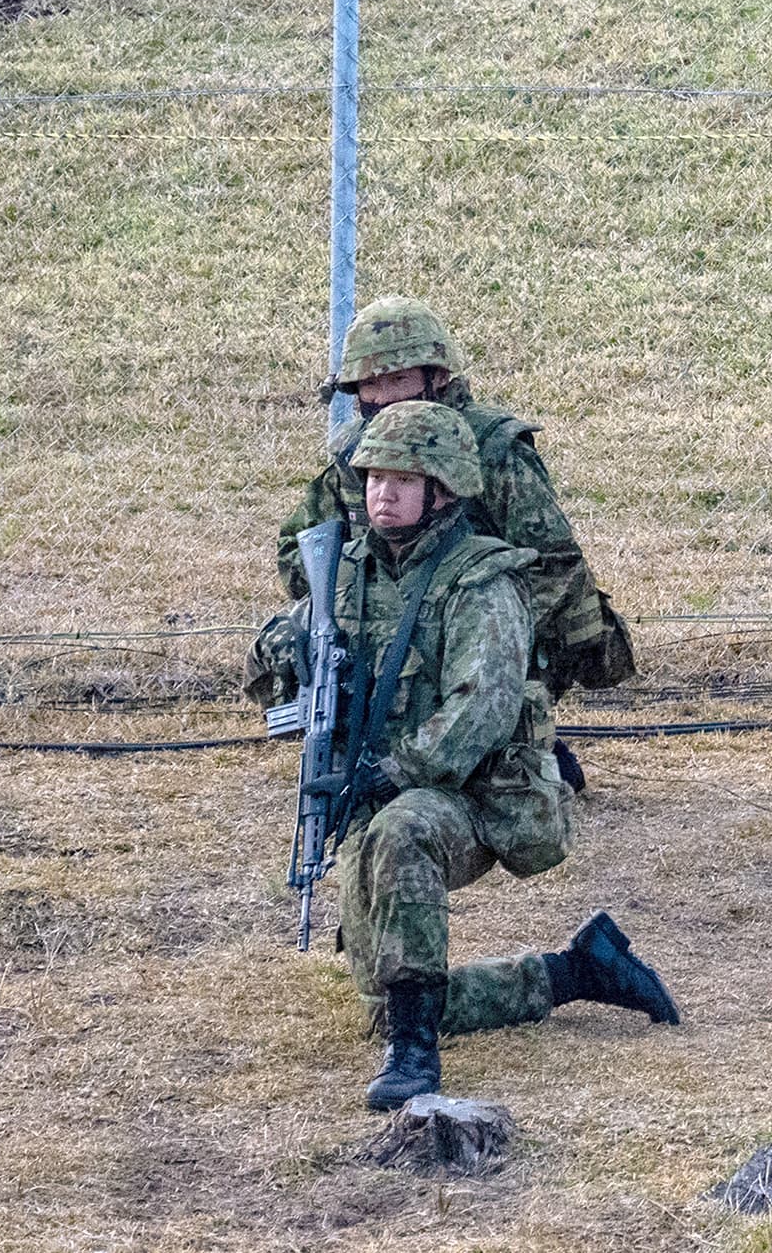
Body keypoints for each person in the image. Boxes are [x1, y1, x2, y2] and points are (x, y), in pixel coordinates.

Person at [249, 402, 678, 1112]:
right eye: (373, 478)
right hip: (378, 790)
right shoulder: (346, 573)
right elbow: (275, 667)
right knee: (387, 999)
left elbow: (481, 709)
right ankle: (574, 972)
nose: (381, 493)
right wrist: (283, 650)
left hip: (478, 794)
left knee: (403, 831)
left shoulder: (482, 581)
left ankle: (416, 1062)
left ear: (443, 489)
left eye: (401, 479)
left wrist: (391, 773)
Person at [278, 293, 634, 790]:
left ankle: (521, 744)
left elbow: (553, 565)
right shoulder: (355, 453)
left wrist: (476, 620)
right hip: (396, 618)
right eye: (369, 384)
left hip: (489, 614)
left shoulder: (493, 448)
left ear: (438, 377)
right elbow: (300, 548)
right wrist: (354, 603)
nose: (383, 397)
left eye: (398, 380)